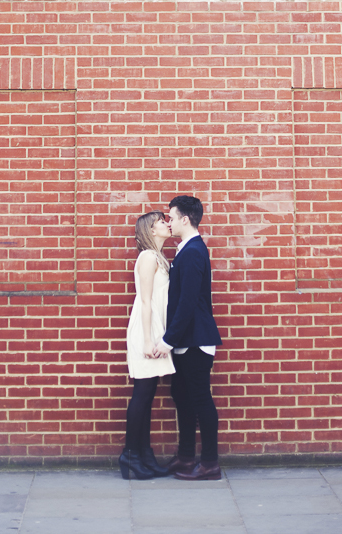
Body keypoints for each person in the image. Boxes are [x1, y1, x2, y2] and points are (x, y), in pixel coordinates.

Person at [154, 195, 222, 481]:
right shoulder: (186, 249)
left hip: (195, 340)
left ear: (185, 219)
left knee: (200, 399)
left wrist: (168, 339)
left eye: (171, 217)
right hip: (186, 340)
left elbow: (188, 302)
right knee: (181, 396)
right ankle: (184, 457)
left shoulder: (193, 251)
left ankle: (209, 464)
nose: (168, 222)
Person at [119, 210, 175, 480]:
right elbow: (144, 301)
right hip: (146, 331)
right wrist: (147, 339)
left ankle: (143, 454)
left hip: (154, 329)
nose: (167, 224)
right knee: (141, 395)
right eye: (161, 222)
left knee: (148, 394)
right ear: (151, 230)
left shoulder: (159, 258)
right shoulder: (148, 257)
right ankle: (130, 455)